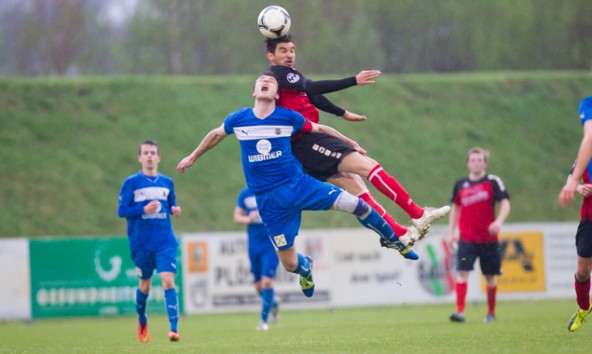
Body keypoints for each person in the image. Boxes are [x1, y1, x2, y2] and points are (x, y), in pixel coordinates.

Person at [178, 73, 418, 299]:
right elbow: (216, 134)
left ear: (276, 94)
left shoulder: (287, 117)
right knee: (290, 264)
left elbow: (320, 128)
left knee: (356, 205)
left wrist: (347, 141)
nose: (265, 81)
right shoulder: (239, 119)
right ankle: (306, 270)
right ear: (254, 92)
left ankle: (395, 242)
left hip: (299, 186)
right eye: (261, 80)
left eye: (270, 82)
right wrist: (192, 156)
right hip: (270, 204)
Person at [264, 34, 449, 248]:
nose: (290, 55)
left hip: (307, 144)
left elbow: (312, 97)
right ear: (271, 56)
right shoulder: (277, 74)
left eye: (292, 50)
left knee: (358, 189)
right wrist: (353, 80)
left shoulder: (289, 76)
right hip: (306, 143)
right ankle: (417, 214)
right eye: (283, 51)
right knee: (368, 166)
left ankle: (399, 234)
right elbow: (312, 87)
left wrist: (342, 113)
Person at [117, 139, 183, 343]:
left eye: (153, 152)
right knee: (144, 286)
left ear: (159, 157)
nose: (149, 156)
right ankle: (142, 318)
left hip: (165, 241)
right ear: (139, 157)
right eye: (145, 153)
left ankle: (173, 329)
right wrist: (142, 210)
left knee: (168, 280)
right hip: (141, 243)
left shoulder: (167, 182)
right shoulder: (131, 183)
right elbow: (122, 210)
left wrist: (175, 210)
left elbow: (172, 205)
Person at [446, 147, 511, 323]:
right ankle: (460, 311)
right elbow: (456, 209)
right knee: (462, 273)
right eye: (473, 160)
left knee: (490, 276)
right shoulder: (460, 185)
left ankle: (491, 313)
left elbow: (505, 204)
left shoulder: (492, 181)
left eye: (480, 160)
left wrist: (498, 222)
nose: (476, 163)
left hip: (488, 240)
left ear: (485, 162)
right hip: (466, 238)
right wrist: (452, 232)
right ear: (468, 163)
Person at [558, 96, 592, 332]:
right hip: (589, 217)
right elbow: (574, 176)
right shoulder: (586, 153)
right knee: (582, 271)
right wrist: (577, 186)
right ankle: (583, 307)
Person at [234, 186, 280, 331]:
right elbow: (237, 217)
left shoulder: (271, 190)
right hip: (254, 246)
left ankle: (263, 321)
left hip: (271, 245)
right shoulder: (245, 194)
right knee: (259, 286)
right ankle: (273, 303)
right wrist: (248, 218)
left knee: (267, 282)